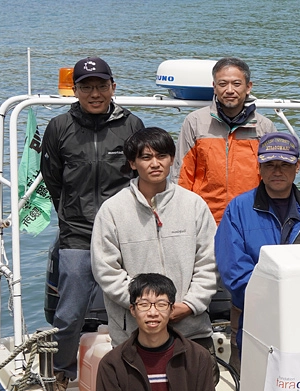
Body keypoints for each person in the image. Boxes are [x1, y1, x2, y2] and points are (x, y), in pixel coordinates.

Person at [40, 56, 144, 391]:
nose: (95, 93)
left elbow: (141, 177)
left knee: (137, 305)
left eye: (101, 85)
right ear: (76, 90)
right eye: (86, 86)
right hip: (76, 234)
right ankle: (61, 372)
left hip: (124, 231)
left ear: (114, 87)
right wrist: (72, 216)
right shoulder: (58, 127)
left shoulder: (132, 126)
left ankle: (136, 371)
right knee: (68, 314)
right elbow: (53, 181)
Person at [92, 127, 218, 348]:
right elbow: (106, 270)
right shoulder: (112, 210)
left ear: (171, 160)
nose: (155, 163)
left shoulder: (194, 205)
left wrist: (189, 304)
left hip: (190, 330)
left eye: (162, 156)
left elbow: (210, 262)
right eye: (146, 157)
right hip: (132, 333)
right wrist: (148, 307)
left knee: (198, 383)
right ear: (132, 163)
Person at [215, 132, 300, 351]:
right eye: (270, 164)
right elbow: (233, 271)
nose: (277, 171)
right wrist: (274, 302)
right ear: (259, 168)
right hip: (256, 318)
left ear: (298, 167)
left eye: (284, 164)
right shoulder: (237, 210)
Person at [173, 57, 277, 224]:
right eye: (222, 84)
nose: (229, 90)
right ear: (214, 87)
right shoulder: (195, 122)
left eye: (236, 84)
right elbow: (182, 175)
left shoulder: (264, 127)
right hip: (204, 217)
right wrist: (181, 215)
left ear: (248, 87)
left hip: (252, 216)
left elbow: (274, 176)